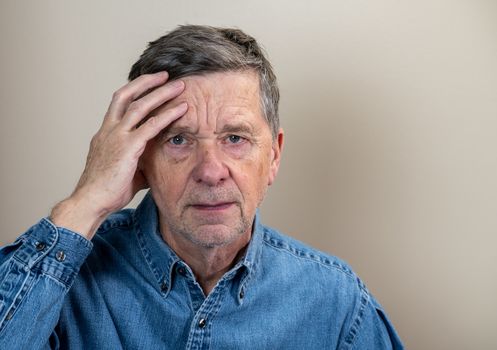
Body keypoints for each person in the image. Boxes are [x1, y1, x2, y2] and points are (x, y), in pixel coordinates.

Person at [0, 25, 403, 349]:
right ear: (139, 156)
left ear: (274, 157)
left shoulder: (336, 303)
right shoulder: (64, 284)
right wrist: (85, 202)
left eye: (235, 139)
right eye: (178, 140)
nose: (211, 172)